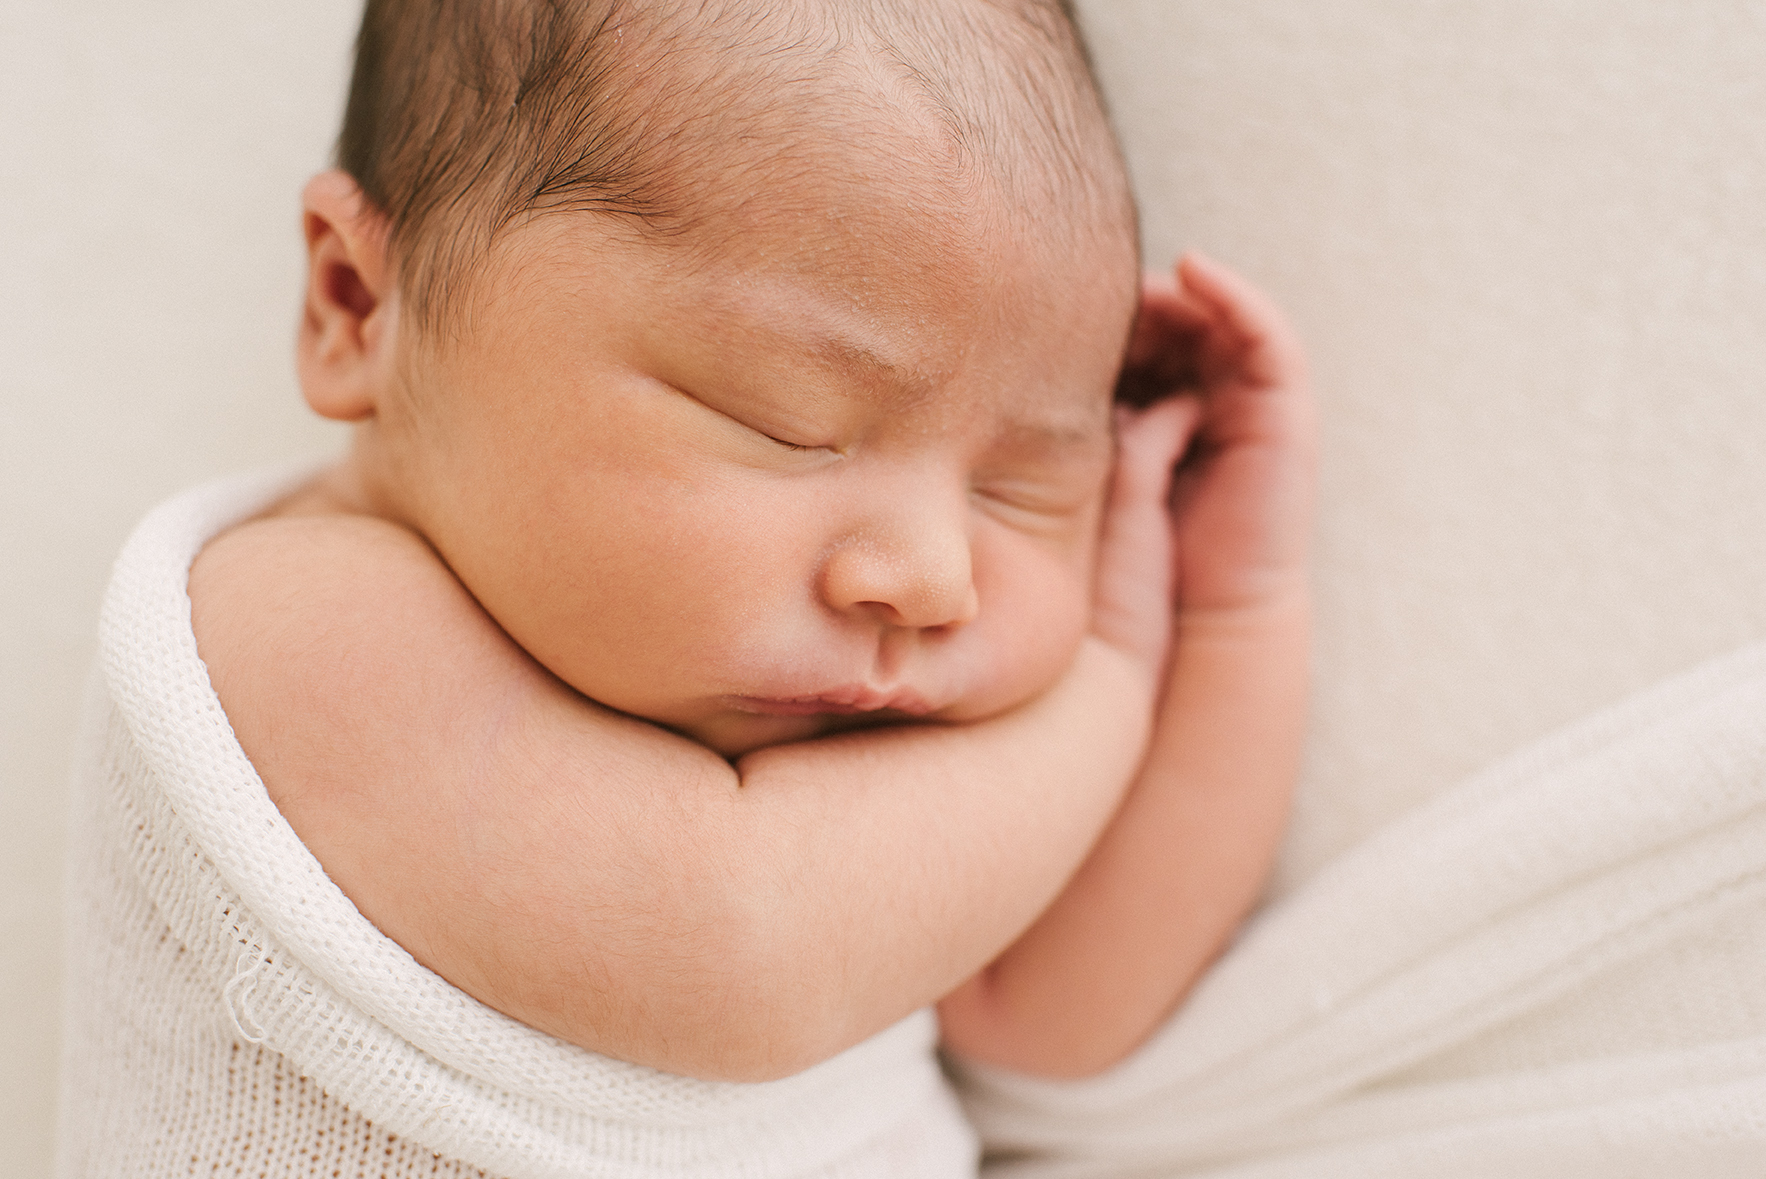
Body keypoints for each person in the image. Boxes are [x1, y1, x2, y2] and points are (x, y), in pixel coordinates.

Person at [181, 0, 1307, 1135]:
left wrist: (1227, 611)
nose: (930, 578)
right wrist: (1106, 678)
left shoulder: (841, 725)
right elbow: (746, 958)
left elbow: (1047, 1018)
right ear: (361, 306)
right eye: (785, 425)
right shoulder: (288, 622)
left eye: (1020, 490)